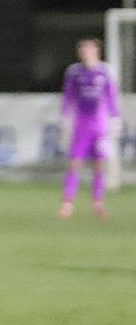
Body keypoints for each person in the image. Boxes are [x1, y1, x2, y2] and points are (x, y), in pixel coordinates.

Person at [58, 37, 121, 219]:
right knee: (74, 163)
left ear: (97, 51)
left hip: (100, 125)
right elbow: (68, 96)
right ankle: (67, 203)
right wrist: (64, 117)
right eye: (83, 49)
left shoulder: (105, 71)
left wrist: (115, 118)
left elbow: (110, 97)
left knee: (99, 165)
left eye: (89, 49)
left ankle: (98, 203)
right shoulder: (74, 72)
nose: (85, 52)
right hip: (81, 124)